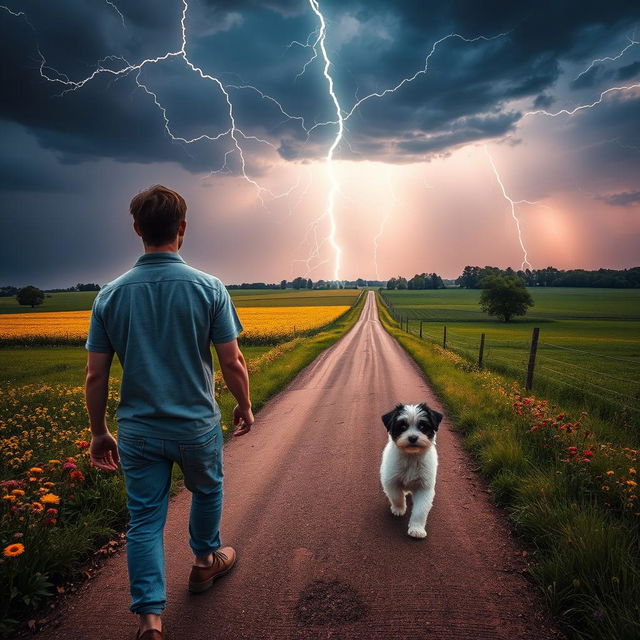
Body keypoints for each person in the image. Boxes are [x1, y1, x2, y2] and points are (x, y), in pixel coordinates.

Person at [84, 185, 254, 640]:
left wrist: (99, 431)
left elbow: (95, 376)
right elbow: (232, 360)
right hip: (195, 426)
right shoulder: (209, 288)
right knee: (206, 491)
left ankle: (150, 622)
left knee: (144, 521)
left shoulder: (109, 296)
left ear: (137, 229)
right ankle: (204, 562)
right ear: (182, 229)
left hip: (137, 431)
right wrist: (244, 405)